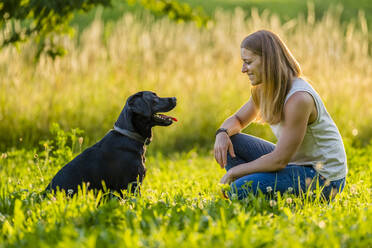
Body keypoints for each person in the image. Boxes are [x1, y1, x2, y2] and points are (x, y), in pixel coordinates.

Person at [214, 30, 347, 201]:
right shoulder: (266, 89)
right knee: (231, 141)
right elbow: (238, 120)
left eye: (248, 62)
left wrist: (234, 172)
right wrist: (222, 133)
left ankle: (248, 188)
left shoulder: (299, 98)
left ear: (268, 61)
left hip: (323, 178)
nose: (243, 69)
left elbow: (279, 160)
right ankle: (254, 187)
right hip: (293, 163)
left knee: (238, 190)